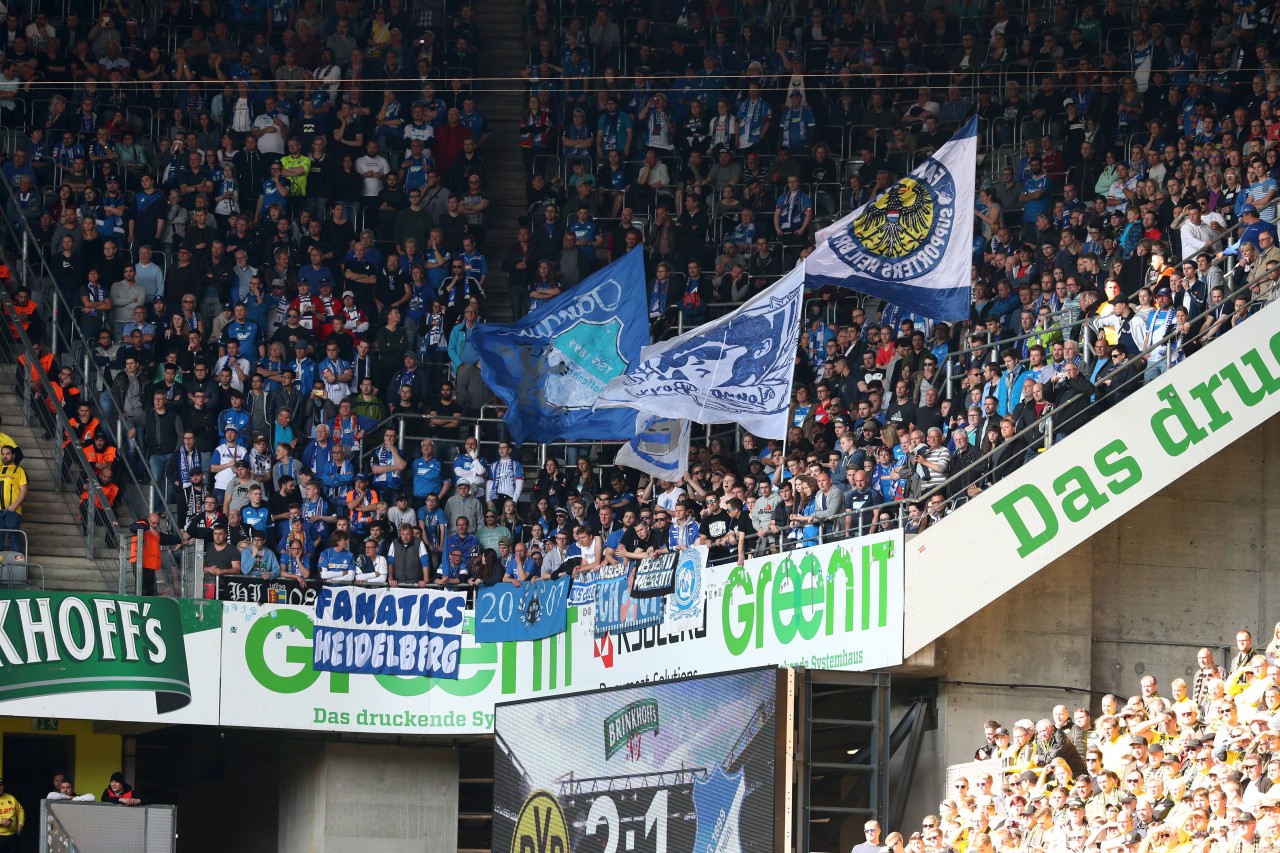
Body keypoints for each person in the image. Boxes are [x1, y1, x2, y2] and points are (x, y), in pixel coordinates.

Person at [0, 445, 27, 553]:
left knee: (14, 537)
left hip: (13, 510)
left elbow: (24, 491)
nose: (5, 456)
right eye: (3, 454)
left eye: (7, 454)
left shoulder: (19, 470)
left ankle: (16, 566)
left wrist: (15, 506)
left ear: (13, 455)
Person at [0, 779, 21, 848]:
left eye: (0, 785)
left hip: (12, 836)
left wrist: (20, 824)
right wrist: (0, 820)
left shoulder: (11, 798)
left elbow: (20, 810)